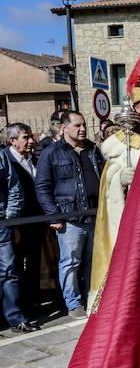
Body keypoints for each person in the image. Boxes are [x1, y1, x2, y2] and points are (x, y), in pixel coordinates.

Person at [88, 49, 140, 312]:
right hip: (135, 223)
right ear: (136, 108)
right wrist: (120, 178)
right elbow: (107, 179)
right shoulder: (121, 144)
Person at [35, 110, 104, 319]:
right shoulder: (52, 153)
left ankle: (90, 298)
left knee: (93, 261)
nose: (83, 129)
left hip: (96, 216)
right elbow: (42, 187)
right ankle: (73, 303)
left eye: (84, 125)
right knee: (70, 263)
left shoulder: (93, 150)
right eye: (78, 126)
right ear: (64, 128)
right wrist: (53, 216)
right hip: (70, 219)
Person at [5, 123, 43, 316]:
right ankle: (21, 306)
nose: (30, 141)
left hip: (37, 221)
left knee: (34, 262)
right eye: (25, 138)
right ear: (12, 141)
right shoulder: (7, 161)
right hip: (18, 223)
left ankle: (34, 301)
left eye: (31, 137)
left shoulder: (34, 159)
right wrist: (14, 224)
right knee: (18, 266)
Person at [0, 148, 36, 333]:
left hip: (2, 224)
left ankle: (16, 318)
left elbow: (13, 184)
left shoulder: (0, 154)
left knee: (9, 272)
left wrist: (11, 216)